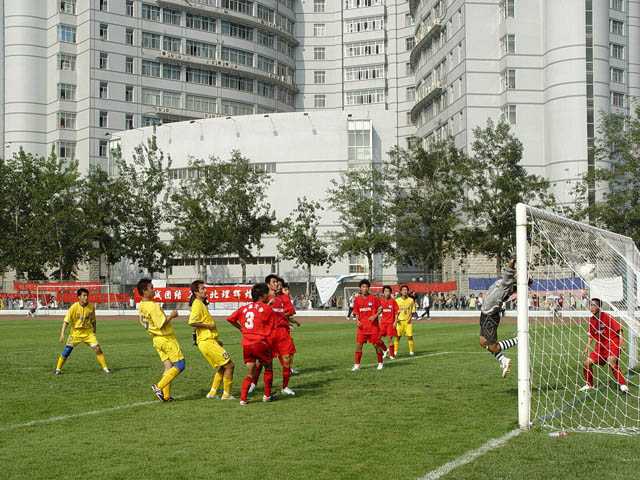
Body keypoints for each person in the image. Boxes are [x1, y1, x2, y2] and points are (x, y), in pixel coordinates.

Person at [227, 283, 277, 404]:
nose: (269, 296)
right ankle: (267, 396)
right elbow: (273, 325)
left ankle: (243, 399)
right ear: (261, 296)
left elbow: (230, 319)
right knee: (268, 368)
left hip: (247, 345)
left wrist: (241, 328)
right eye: (267, 294)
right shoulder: (267, 308)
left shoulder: (244, 308)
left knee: (250, 374)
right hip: (260, 343)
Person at [250, 275, 299, 396]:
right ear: (268, 285)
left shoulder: (280, 299)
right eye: (274, 282)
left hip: (283, 333)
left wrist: (288, 323)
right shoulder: (264, 298)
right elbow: (258, 313)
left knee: (287, 358)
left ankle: (285, 387)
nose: (277, 284)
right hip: (270, 333)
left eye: (277, 282)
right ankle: (253, 383)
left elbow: (281, 314)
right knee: (262, 361)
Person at [137, 278, 185, 402]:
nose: (154, 290)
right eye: (151, 288)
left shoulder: (141, 305)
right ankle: (158, 386)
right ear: (144, 291)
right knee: (180, 365)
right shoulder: (152, 306)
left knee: (168, 366)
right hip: (165, 338)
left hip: (156, 339)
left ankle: (166, 396)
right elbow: (161, 324)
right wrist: (172, 316)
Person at [188, 280, 235, 400]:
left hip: (209, 340)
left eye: (205, 288)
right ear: (196, 292)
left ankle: (213, 393)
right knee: (230, 366)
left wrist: (215, 340)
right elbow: (192, 322)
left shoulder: (200, 304)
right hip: (206, 341)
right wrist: (208, 326)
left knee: (224, 366)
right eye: (202, 289)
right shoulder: (197, 304)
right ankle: (226, 395)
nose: (205, 290)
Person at [479, 260, 525, 378]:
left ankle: (520, 339)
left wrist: (513, 261)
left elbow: (509, 270)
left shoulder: (506, 284)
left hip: (490, 316)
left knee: (493, 347)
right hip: (485, 314)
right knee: (482, 342)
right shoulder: (506, 284)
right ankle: (503, 360)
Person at [54, 288, 111, 375]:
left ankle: (105, 368)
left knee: (97, 348)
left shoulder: (91, 307)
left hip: (88, 332)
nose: (86, 297)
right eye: (84, 295)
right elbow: (66, 321)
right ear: (79, 297)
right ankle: (58, 369)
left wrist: (94, 329)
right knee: (67, 350)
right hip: (75, 332)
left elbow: (93, 320)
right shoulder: (73, 307)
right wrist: (62, 334)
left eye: (87, 295)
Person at [579, 298, 628, 393]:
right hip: (600, 348)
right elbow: (591, 335)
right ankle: (589, 384)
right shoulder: (592, 320)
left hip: (612, 344)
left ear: (599, 307)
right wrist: (587, 348)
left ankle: (623, 385)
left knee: (611, 362)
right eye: (591, 305)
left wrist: (622, 342)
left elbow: (619, 329)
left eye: (594, 305)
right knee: (586, 364)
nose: (592, 307)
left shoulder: (607, 316)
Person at [351, 279, 383, 371]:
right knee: (359, 345)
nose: (365, 288)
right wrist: (357, 320)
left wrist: (375, 316)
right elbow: (356, 312)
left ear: (368, 288)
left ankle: (380, 363)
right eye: (363, 287)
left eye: (366, 287)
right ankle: (357, 365)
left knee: (376, 345)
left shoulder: (373, 298)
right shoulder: (357, 300)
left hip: (373, 327)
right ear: (360, 288)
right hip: (362, 327)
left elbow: (381, 308)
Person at [377, 285, 399, 360]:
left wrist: (395, 321)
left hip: (390, 323)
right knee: (377, 338)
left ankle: (392, 355)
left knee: (389, 338)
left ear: (390, 292)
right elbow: (378, 310)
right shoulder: (380, 300)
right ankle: (385, 349)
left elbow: (397, 311)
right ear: (383, 292)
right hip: (383, 323)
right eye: (385, 291)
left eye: (388, 291)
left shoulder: (393, 301)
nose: (387, 293)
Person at [395, 285, 416, 356]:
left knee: (410, 336)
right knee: (398, 337)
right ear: (401, 291)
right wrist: (397, 318)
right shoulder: (397, 300)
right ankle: (395, 351)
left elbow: (412, 310)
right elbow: (395, 311)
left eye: (406, 290)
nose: (405, 291)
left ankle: (411, 351)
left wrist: (410, 318)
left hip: (408, 321)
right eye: (403, 290)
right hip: (400, 322)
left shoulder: (411, 300)